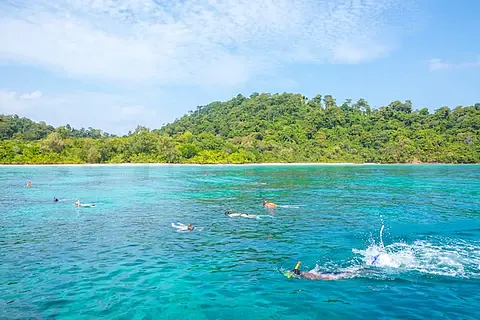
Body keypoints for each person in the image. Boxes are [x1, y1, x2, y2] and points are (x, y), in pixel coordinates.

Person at [289, 261, 356, 280]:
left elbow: (319, 277)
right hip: (323, 273)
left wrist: (331, 278)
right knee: (347, 272)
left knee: (348, 274)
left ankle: (362, 271)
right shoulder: (304, 273)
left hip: (326, 275)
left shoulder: (307, 276)